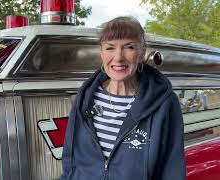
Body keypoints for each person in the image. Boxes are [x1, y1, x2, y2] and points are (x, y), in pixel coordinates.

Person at [61, 16, 186, 180]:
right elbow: (70, 162)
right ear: (101, 52)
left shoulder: (164, 103)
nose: (118, 57)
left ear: (142, 52)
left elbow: (173, 169)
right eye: (110, 48)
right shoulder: (85, 98)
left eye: (129, 47)